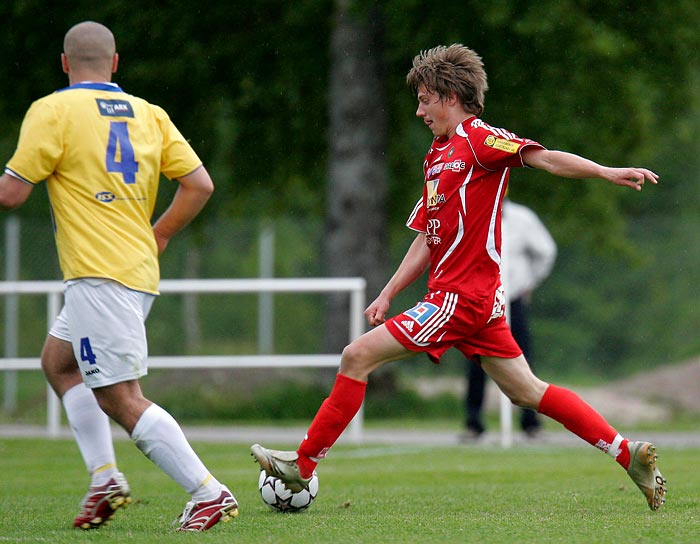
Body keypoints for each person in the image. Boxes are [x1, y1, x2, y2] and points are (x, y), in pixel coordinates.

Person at [250, 43, 666, 512]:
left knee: (355, 356)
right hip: (475, 303)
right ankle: (626, 452)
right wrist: (388, 292)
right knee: (527, 391)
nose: (419, 110)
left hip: (461, 298)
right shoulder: (437, 157)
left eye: (425, 99)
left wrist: (607, 172)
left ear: (450, 96)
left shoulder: (481, 140)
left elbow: (546, 158)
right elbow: (428, 237)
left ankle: (301, 467)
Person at [0, 21, 238, 531]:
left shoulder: (53, 110)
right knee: (59, 364)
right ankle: (105, 476)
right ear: (115, 63)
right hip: (135, 268)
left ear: (65, 63)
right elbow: (198, 184)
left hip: (97, 274)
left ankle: (208, 492)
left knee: (118, 395)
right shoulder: (149, 114)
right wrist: (162, 233)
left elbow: (11, 193)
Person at [464, 198, 557, 438]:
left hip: (512, 298)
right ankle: (473, 421)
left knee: (522, 357)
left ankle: (531, 422)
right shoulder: (471, 214)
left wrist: (528, 283)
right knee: (476, 357)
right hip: (480, 298)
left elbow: (546, 252)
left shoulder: (522, 218)